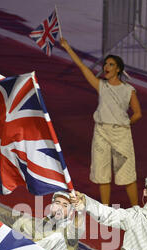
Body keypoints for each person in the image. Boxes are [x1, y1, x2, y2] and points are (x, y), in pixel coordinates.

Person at [60, 37, 142, 207]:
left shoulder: (128, 90)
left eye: (111, 64)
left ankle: (137, 210)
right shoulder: (101, 86)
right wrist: (67, 47)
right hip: (101, 132)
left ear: (118, 69)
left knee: (126, 173)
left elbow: (138, 113)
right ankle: (105, 208)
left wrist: (125, 124)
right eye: (106, 64)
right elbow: (83, 67)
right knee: (102, 172)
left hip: (121, 134)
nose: (106, 67)